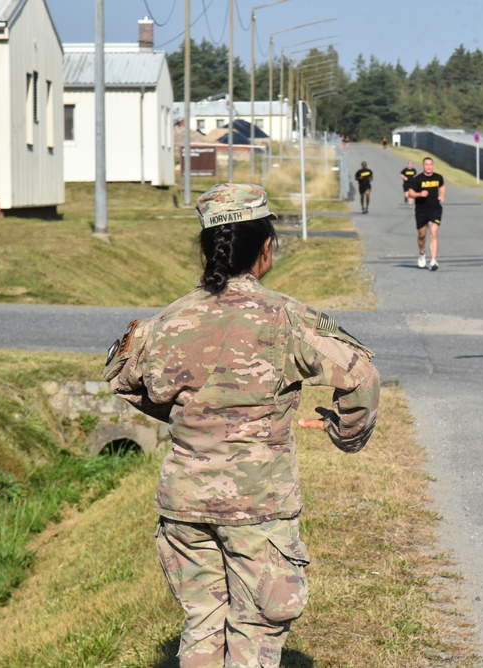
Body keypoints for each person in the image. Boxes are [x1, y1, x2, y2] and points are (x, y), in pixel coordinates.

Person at [103, 183, 381, 668]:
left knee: (203, 622)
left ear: (208, 250)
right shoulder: (288, 319)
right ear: (266, 248)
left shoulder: (165, 322)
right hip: (259, 505)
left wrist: (190, 416)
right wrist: (346, 435)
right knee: (256, 628)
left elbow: (124, 382)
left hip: (185, 503)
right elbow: (360, 376)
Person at [406, 157, 445, 271]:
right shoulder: (417, 179)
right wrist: (419, 194)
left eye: (430, 164)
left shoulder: (438, 177)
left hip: (435, 209)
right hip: (421, 210)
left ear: (433, 165)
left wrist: (442, 195)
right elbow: (410, 193)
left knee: (433, 234)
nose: (428, 167)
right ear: (423, 166)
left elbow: (442, 186)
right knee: (422, 235)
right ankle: (422, 253)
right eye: (426, 165)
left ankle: (433, 261)